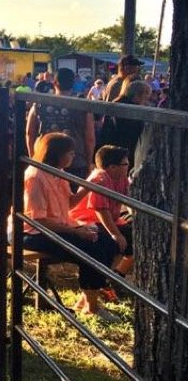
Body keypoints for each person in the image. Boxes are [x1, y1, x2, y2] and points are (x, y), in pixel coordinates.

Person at [21, 133, 119, 320]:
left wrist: (89, 184)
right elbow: (38, 220)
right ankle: (92, 307)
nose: (73, 156)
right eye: (70, 153)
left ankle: (87, 297)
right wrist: (76, 231)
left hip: (57, 226)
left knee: (106, 241)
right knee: (90, 248)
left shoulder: (59, 173)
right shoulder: (36, 176)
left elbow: (70, 204)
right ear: (57, 154)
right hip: (32, 232)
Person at [71, 145, 134, 275]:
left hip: (112, 218)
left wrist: (134, 213)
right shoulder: (101, 178)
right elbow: (101, 210)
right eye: (125, 164)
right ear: (112, 167)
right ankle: (105, 278)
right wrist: (115, 233)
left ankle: (116, 276)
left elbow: (127, 198)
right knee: (113, 243)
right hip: (89, 220)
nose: (128, 165)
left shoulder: (121, 177)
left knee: (134, 236)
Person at [25, 67, 94, 180]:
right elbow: (90, 138)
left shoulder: (40, 103)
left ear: (55, 83)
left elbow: (29, 133)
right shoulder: (84, 106)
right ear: (73, 83)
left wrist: (33, 158)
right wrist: (88, 162)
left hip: (44, 159)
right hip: (75, 162)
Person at [97, 79, 152, 166]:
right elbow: (131, 135)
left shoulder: (116, 104)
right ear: (137, 96)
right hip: (121, 153)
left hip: (110, 149)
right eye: (146, 97)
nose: (146, 101)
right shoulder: (131, 111)